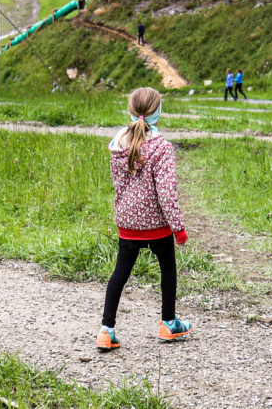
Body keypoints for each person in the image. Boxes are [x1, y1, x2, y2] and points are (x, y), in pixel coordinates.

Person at [97, 87, 193, 351]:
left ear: (130, 109)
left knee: (120, 272)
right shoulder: (161, 147)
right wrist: (179, 227)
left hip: (127, 222)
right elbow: (166, 192)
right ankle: (168, 323)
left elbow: (119, 184)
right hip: (156, 225)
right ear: (158, 111)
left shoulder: (118, 143)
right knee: (167, 269)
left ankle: (106, 330)